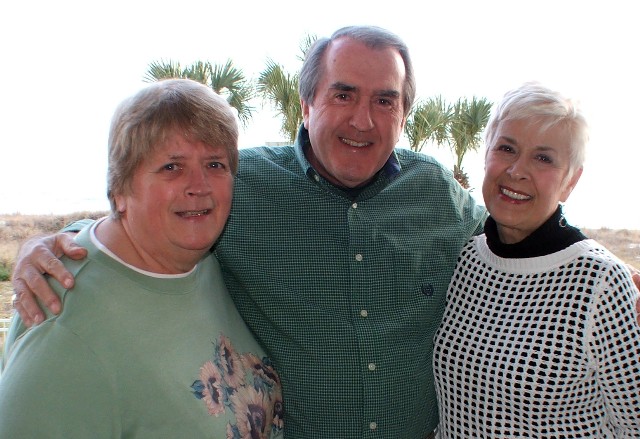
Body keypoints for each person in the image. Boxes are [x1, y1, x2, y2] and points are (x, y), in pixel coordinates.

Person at [9, 27, 640, 438]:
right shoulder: (242, 183)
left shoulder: (436, 195)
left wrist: (614, 277)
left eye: (385, 100)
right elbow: (152, 207)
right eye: (343, 94)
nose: (363, 119)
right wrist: (58, 246)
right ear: (307, 103)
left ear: (403, 113)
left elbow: (521, 233)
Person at [0, 79, 283, 438]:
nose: (200, 185)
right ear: (119, 187)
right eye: (172, 167)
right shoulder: (64, 335)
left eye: (215, 164)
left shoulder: (199, 261)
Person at [433, 83, 640, 437]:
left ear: (570, 181)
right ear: (486, 155)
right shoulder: (464, 259)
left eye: (543, 158)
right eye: (507, 148)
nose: (517, 170)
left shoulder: (601, 283)